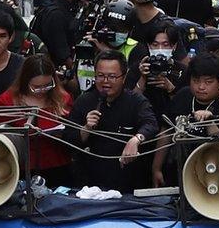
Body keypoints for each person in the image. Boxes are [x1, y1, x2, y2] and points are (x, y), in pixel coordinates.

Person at [63, 50, 158, 191]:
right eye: (100, 76)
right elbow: (69, 140)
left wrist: (136, 139)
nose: (105, 81)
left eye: (112, 77)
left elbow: (151, 124)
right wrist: (86, 128)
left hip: (127, 182)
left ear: (124, 77)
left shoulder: (135, 101)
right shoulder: (84, 101)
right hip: (90, 183)